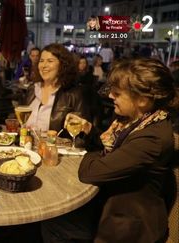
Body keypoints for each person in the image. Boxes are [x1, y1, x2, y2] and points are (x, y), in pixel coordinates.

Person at [42, 58, 179, 242]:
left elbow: (91, 172)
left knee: (52, 222)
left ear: (143, 100)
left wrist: (91, 154)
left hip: (127, 224)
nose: (110, 96)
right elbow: (111, 148)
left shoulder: (152, 138)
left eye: (117, 93)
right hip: (108, 204)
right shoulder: (135, 120)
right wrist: (89, 130)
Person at [24, 43, 90, 132]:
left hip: (56, 145)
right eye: (41, 60)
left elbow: (80, 135)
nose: (44, 65)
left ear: (62, 65)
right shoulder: (33, 89)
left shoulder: (73, 94)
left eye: (50, 61)